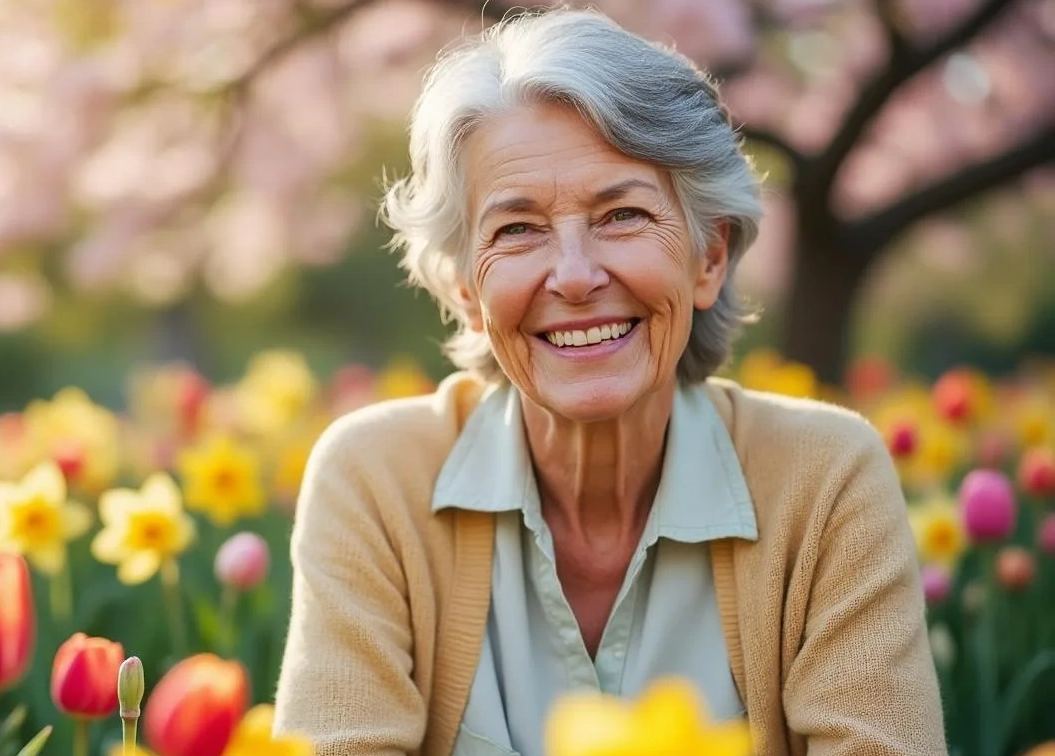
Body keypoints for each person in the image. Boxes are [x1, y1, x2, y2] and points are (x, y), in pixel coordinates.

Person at [273, 8, 946, 756]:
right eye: (517, 229)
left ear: (708, 257)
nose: (575, 276)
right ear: (466, 286)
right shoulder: (374, 484)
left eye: (622, 215)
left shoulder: (826, 483)